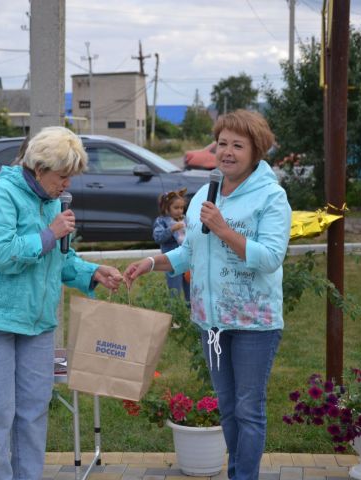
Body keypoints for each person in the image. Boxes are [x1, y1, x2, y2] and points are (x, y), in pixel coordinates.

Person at [125, 110, 291, 480]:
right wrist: (151, 263)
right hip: (212, 324)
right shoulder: (205, 192)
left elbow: (270, 258)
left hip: (253, 324)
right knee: (229, 408)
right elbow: (191, 251)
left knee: (248, 409)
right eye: (222, 144)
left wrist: (224, 228)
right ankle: (236, 474)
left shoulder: (271, 197)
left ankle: (243, 477)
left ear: (256, 150)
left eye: (238, 145)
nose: (227, 152)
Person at [0, 126, 122, 480]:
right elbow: (4, 254)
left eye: (70, 178)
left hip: (36, 322)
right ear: (39, 168)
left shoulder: (52, 202)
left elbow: (59, 257)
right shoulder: (1, 195)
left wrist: (92, 273)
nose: (67, 186)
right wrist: (51, 233)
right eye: (62, 177)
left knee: (32, 410)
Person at [152, 188, 190, 304]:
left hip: (187, 258)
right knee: (174, 287)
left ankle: (192, 309)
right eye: (176, 208)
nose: (180, 211)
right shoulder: (161, 221)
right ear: (166, 207)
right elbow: (158, 237)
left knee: (190, 285)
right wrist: (171, 229)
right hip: (171, 261)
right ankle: (174, 311)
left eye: (182, 208)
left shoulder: (185, 220)